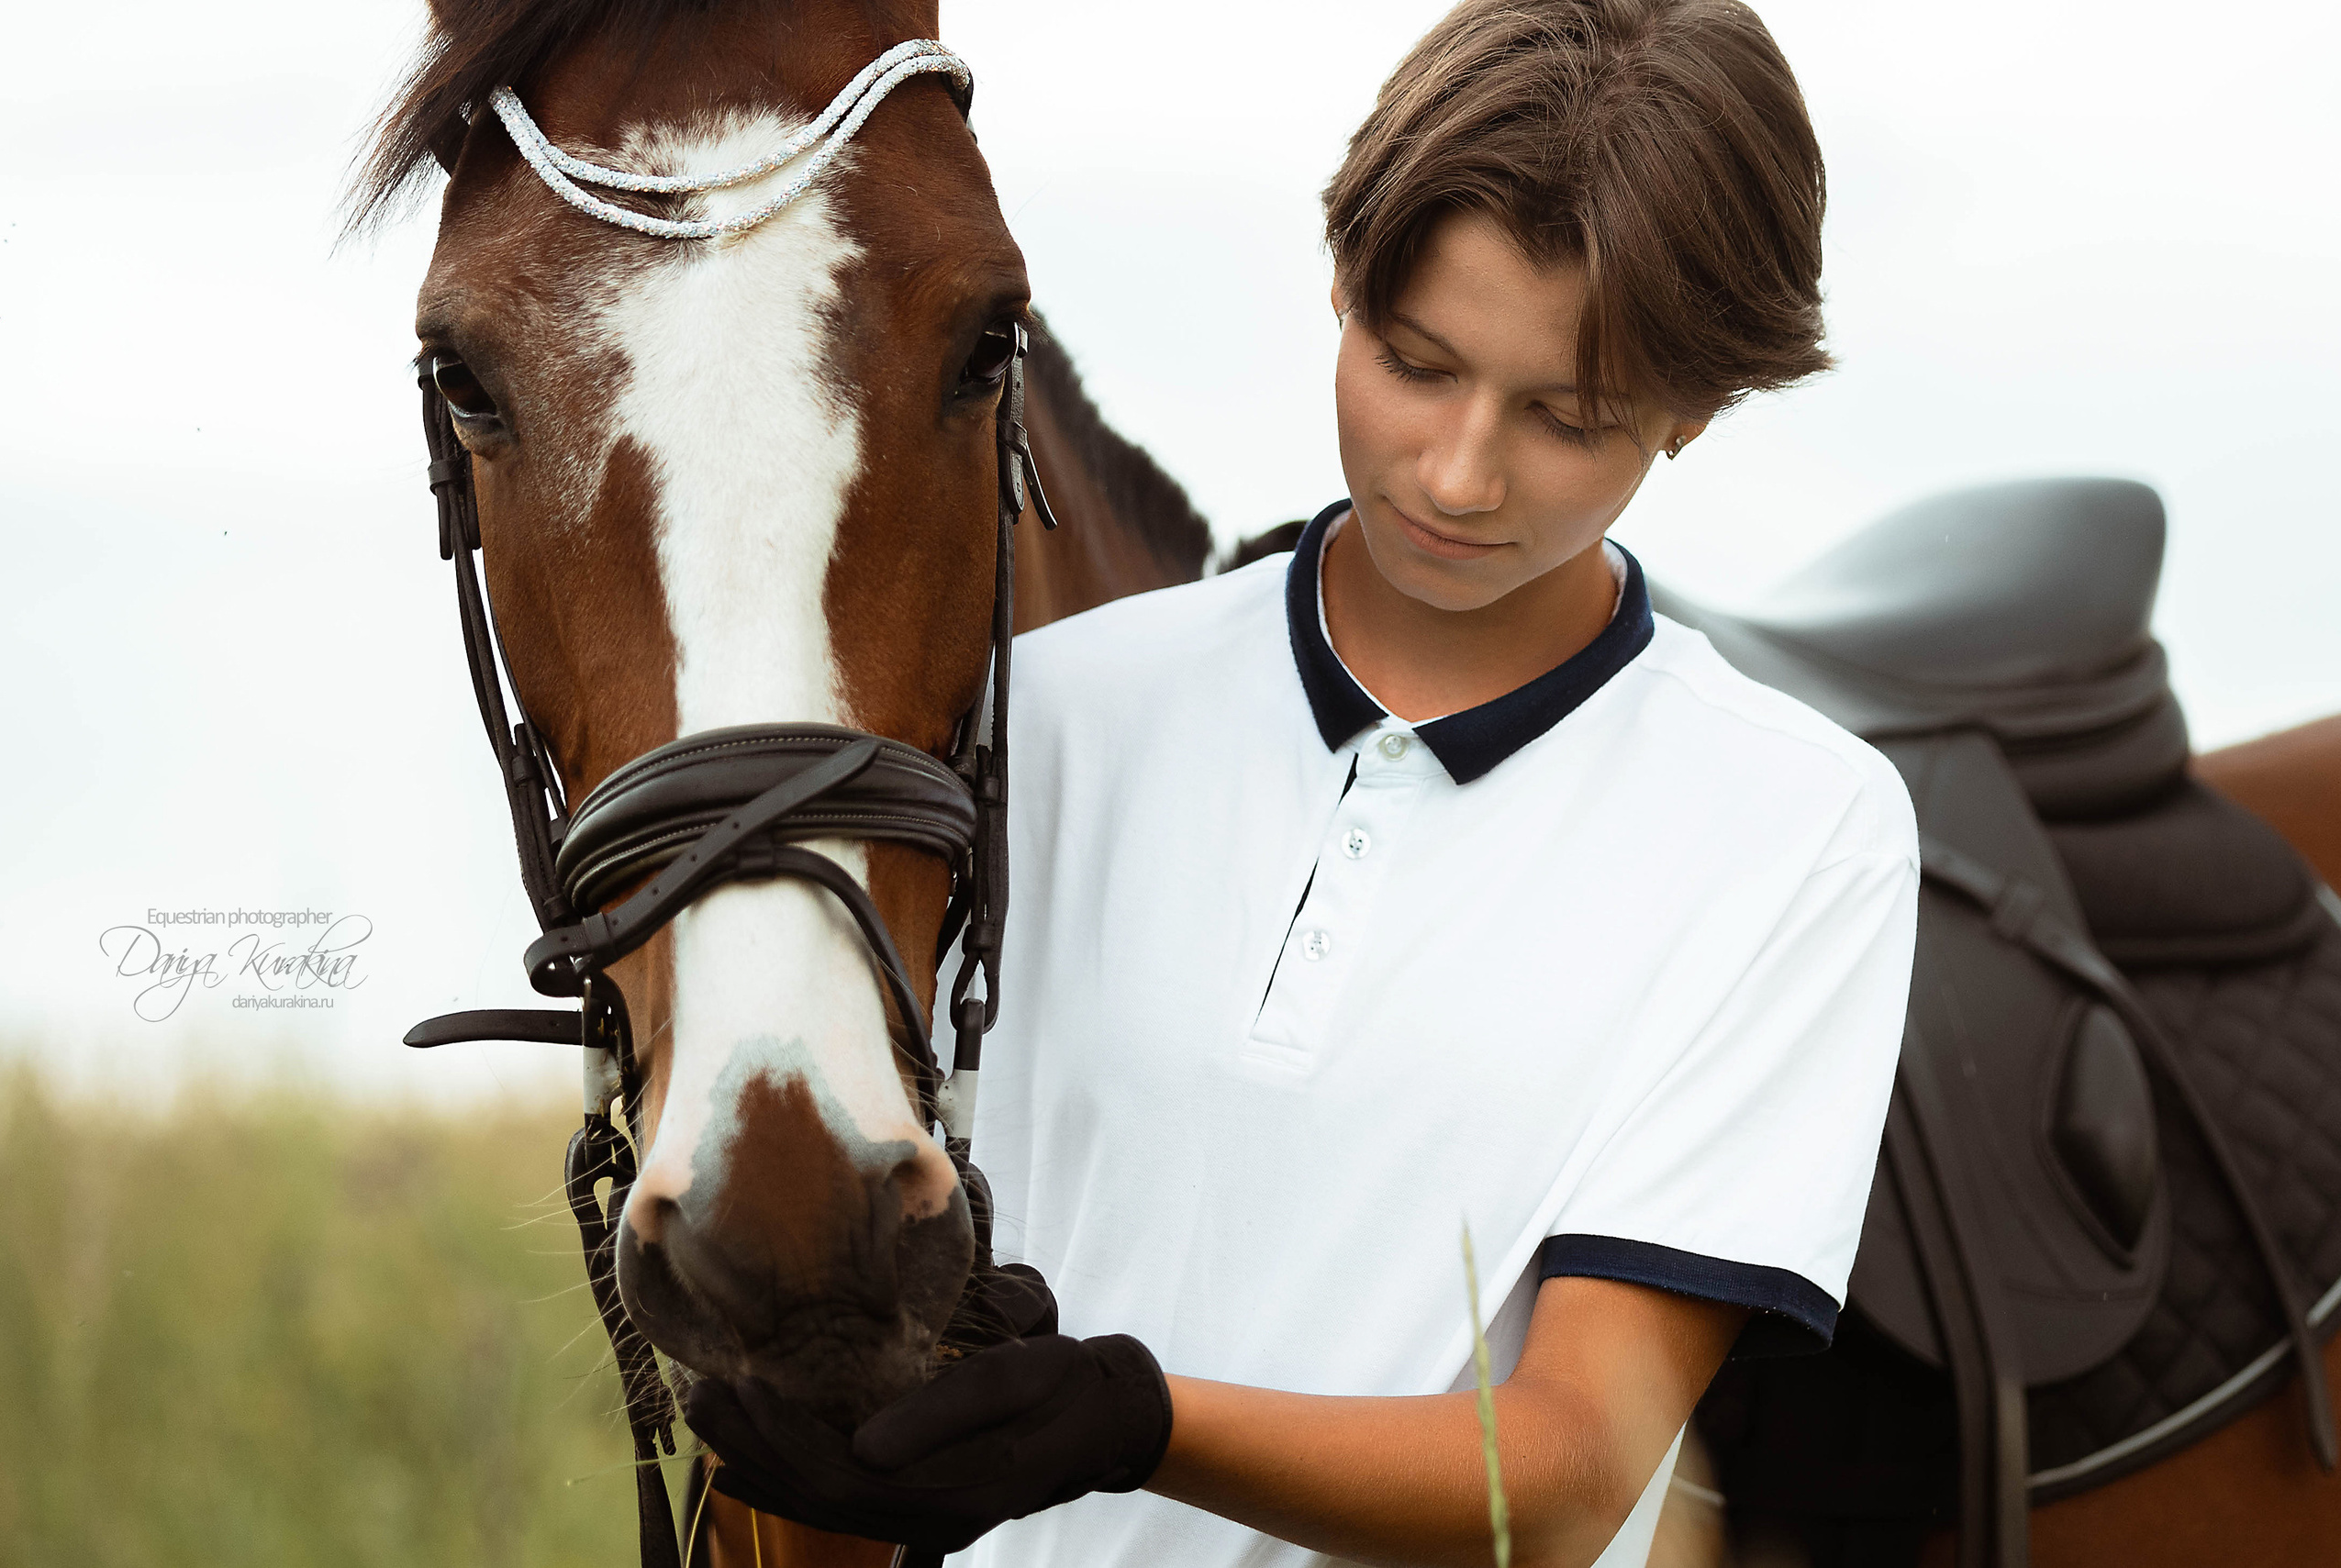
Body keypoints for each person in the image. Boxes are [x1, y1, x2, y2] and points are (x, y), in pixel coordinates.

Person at [691, 2, 1918, 1564]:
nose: (1461, 473)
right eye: (1417, 364)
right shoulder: (1032, 718)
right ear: (1341, 282)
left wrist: (1140, 1423)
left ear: (1696, 411)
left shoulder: (1800, 831)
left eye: (1568, 417)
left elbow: (1571, 1467)